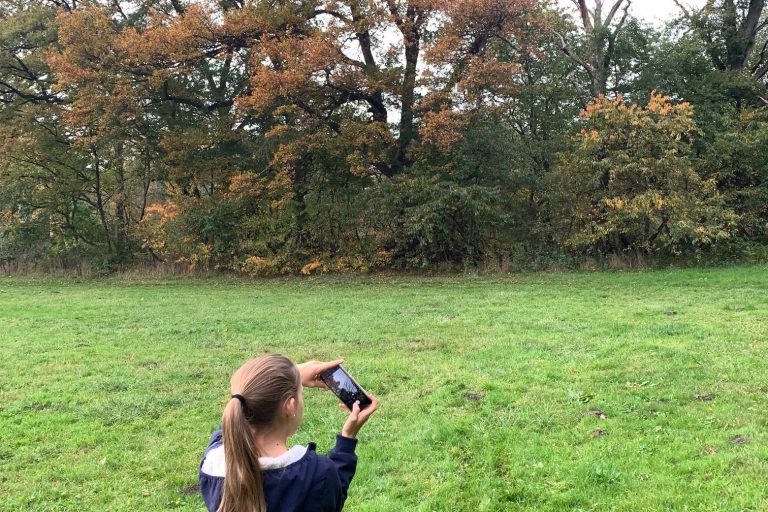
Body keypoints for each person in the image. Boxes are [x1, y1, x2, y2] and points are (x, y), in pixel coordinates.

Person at [199, 354, 378, 512]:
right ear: (290, 406)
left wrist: (291, 376)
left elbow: (233, 416)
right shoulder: (317, 474)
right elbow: (334, 497)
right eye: (300, 394)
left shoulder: (212, 464)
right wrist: (347, 439)